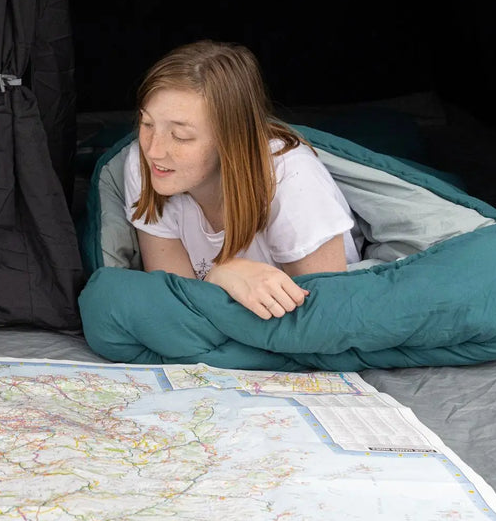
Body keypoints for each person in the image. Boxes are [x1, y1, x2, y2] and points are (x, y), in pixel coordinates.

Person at [124, 40, 362, 320]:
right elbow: (176, 308)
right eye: (147, 124)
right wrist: (221, 274)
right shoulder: (145, 163)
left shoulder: (294, 180)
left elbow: (325, 317)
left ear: (230, 140)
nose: (154, 149)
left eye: (181, 136)